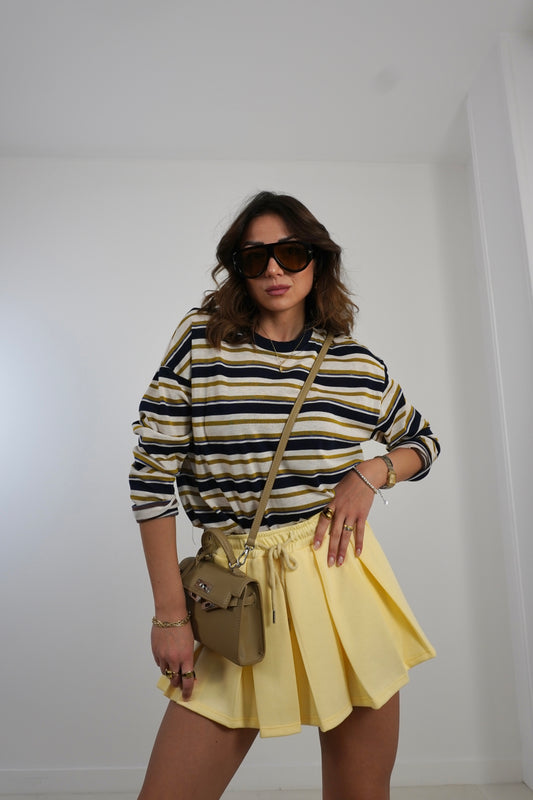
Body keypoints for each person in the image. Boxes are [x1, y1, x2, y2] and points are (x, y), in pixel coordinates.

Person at [129, 190, 440, 800]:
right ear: (238, 269)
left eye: (291, 253)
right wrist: (169, 614)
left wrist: (370, 473)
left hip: (342, 582)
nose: (274, 269)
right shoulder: (201, 343)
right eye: (255, 257)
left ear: (317, 260)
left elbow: (422, 442)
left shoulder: (355, 366)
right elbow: (150, 477)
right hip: (234, 595)